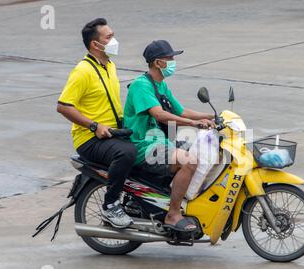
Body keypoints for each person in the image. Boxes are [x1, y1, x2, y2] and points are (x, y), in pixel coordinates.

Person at [124, 40, 215, 233]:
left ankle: (181, 202)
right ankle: (173, 214)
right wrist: (194, 124)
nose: (173, 61)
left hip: (160, 142)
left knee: (203, 151)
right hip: (143, 145)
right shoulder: (141, 86)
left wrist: (210, 116)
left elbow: (180, 111)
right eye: (170, 58)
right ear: (158, 63)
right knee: (189, 161)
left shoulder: (160, 85)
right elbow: (160, 114)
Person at [57, 18, 137, 229]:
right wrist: (94, 126)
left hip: (112, 132)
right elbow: (64, 106)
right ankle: (110, 205)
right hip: (90, 138)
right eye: (109, 37)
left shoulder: (109, 65)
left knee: (151, 144)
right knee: (126, 153)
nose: (114, 40)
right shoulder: (82, 71)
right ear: (95, 44)